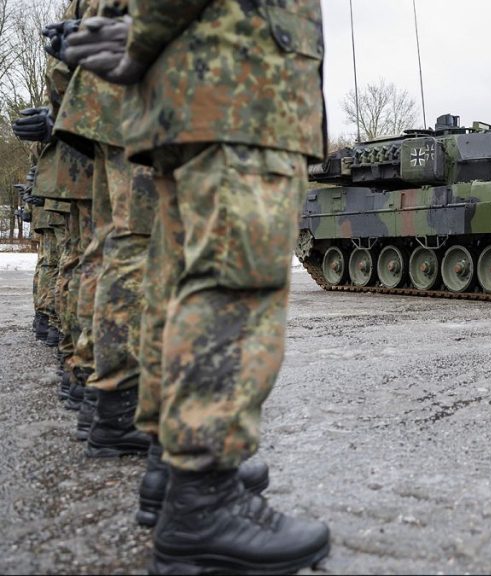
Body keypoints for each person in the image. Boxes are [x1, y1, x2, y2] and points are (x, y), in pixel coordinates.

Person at [72, 1, 331, 572]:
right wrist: (141, 33)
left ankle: (174, 468)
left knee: (179, 276)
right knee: (235, 279)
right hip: (242, 80)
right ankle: (203, 498)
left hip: (194, 86)